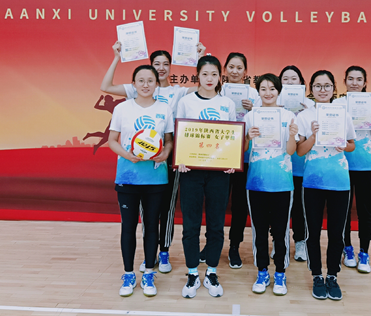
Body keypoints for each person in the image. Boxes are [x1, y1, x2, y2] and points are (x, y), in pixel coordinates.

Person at [101, 42, 204, 273]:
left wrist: (199, 57)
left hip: (167, 156)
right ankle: (150, 256)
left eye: (165, 64)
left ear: (169, 68)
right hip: (136, 161)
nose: (161, 68)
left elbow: (204, 85)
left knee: (165, 208)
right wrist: (116, 56)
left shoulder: (175, 92)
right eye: (156, 63)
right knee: (144, 214)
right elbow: (105, 86)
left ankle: (163, 252)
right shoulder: (137, 91)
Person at [107, 65, 174, 297]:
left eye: (150, 80)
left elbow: (168, 141)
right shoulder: (122, 108)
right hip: (128, 176)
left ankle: (148, 273)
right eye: (141, 80)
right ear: (133, 83)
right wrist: (128, 155)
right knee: (128, 226)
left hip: (156, 178)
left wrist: (166, 153)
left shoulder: (164, 109)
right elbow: (112, 140)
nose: (146, 85)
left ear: (157, 84)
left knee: (152, 226)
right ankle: (128, 274)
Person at [175, 55, 237, 298]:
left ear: (220, 76)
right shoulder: (186, 101)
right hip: (191, 172)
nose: (209, 79)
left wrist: (231, 160)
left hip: (219, 173)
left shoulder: (227, 103)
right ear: (197, 76)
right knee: (190, 225)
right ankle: (192, 272)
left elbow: (232, 137)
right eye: (204, 74)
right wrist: (180, 157)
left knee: (215, 224)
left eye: (214, 74)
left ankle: (211, 271)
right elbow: (180, 132)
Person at [296, 70, 355, 301]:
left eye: (327, 85)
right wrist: (313, 136)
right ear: (311, 88)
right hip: (313, 181)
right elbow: (300, 151)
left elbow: (352, 144)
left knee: (336, 233)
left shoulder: (342, 113)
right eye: (318, 86)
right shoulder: (304, 116)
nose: (323, 90)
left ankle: (332, 276)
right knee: (313, 232)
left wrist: (344, 146)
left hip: (339, 180)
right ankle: (316, 276)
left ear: (334, 89)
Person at [244, 73, 298, 296]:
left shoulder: (288, 116)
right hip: (256, 182)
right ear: (258, 92)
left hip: (282, 183)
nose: (268, 93)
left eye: (272, 88)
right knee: (259, 231)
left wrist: (292, 135)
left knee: (280, 231)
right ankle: (262, 271)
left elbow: (291, 151)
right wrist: (248, 137)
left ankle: (281, 273)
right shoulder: (251, 116)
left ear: (279, 91)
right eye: (263, 89)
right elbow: (242, 150)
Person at [334, 66, 371, 274]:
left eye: (359, 79)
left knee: (365, 210)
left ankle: (364, 251)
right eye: (351, 79)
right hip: (341, 164)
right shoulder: (337, 104)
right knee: (343, 211)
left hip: (366, 165)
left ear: (365, 83)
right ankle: (347, 248)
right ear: (345, 81)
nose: (354, 83)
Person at [220, 52, 260, 269]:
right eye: (231, 67)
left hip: (245, 157)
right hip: (220, 156)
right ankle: (213, 245)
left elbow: (265, 123)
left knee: (239, 205)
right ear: (224, 69)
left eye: (239, 68)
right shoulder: (217, 90)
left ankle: (234, 246)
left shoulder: (254, 94)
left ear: (246, 72)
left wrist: (254, 110)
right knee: (217, 203)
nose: (235, 71)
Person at [277, 65, 313, 262]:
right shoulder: (274, 102)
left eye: (294, 79)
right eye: (285, 79)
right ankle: (279, 242)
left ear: (301, 82)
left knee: (301, 207)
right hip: (280, 164)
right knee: (279, 208)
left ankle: (300, 242)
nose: (290, 82)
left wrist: (307, 114)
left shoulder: (310, 105)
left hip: (301, 165)